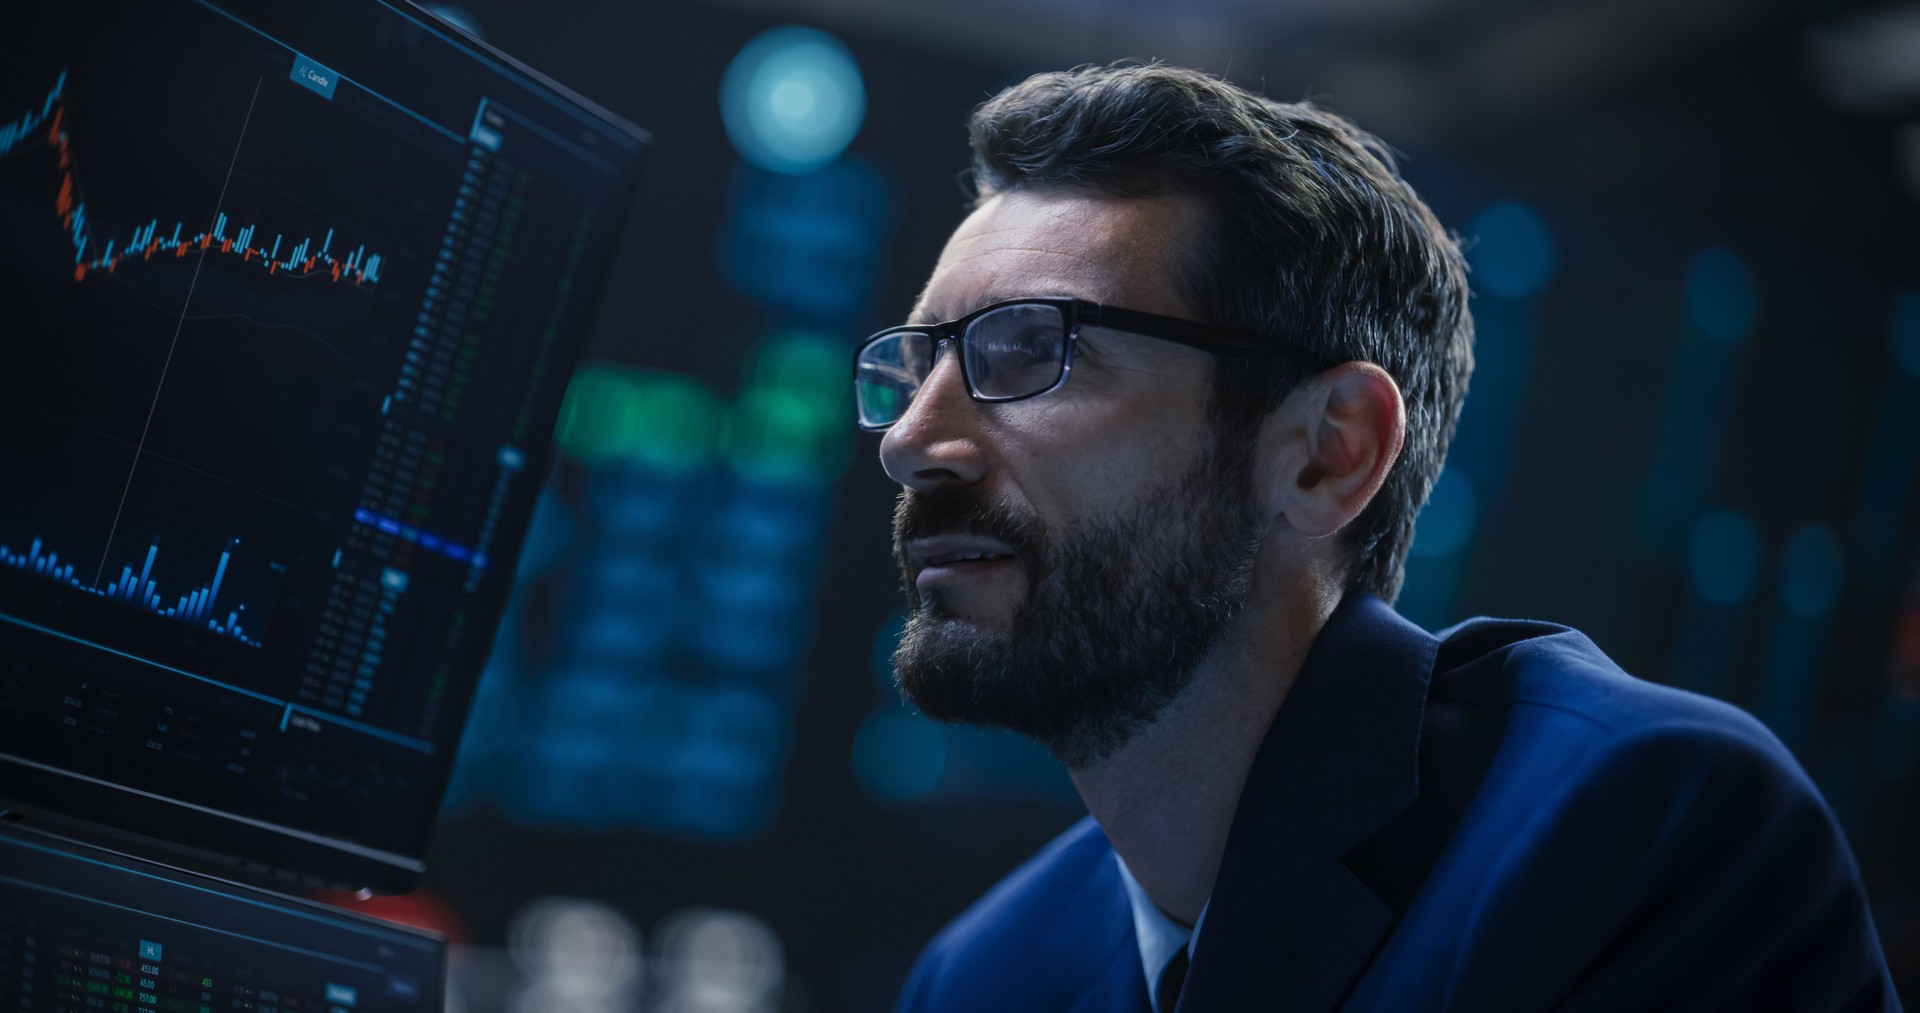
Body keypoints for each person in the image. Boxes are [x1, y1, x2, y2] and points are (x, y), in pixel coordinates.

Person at [852, 62, 1900, 1011]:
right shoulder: (980, 975)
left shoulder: (1638, 833)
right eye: (915, 366)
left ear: (1328, 453)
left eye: (1034, 348)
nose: (911, 439)